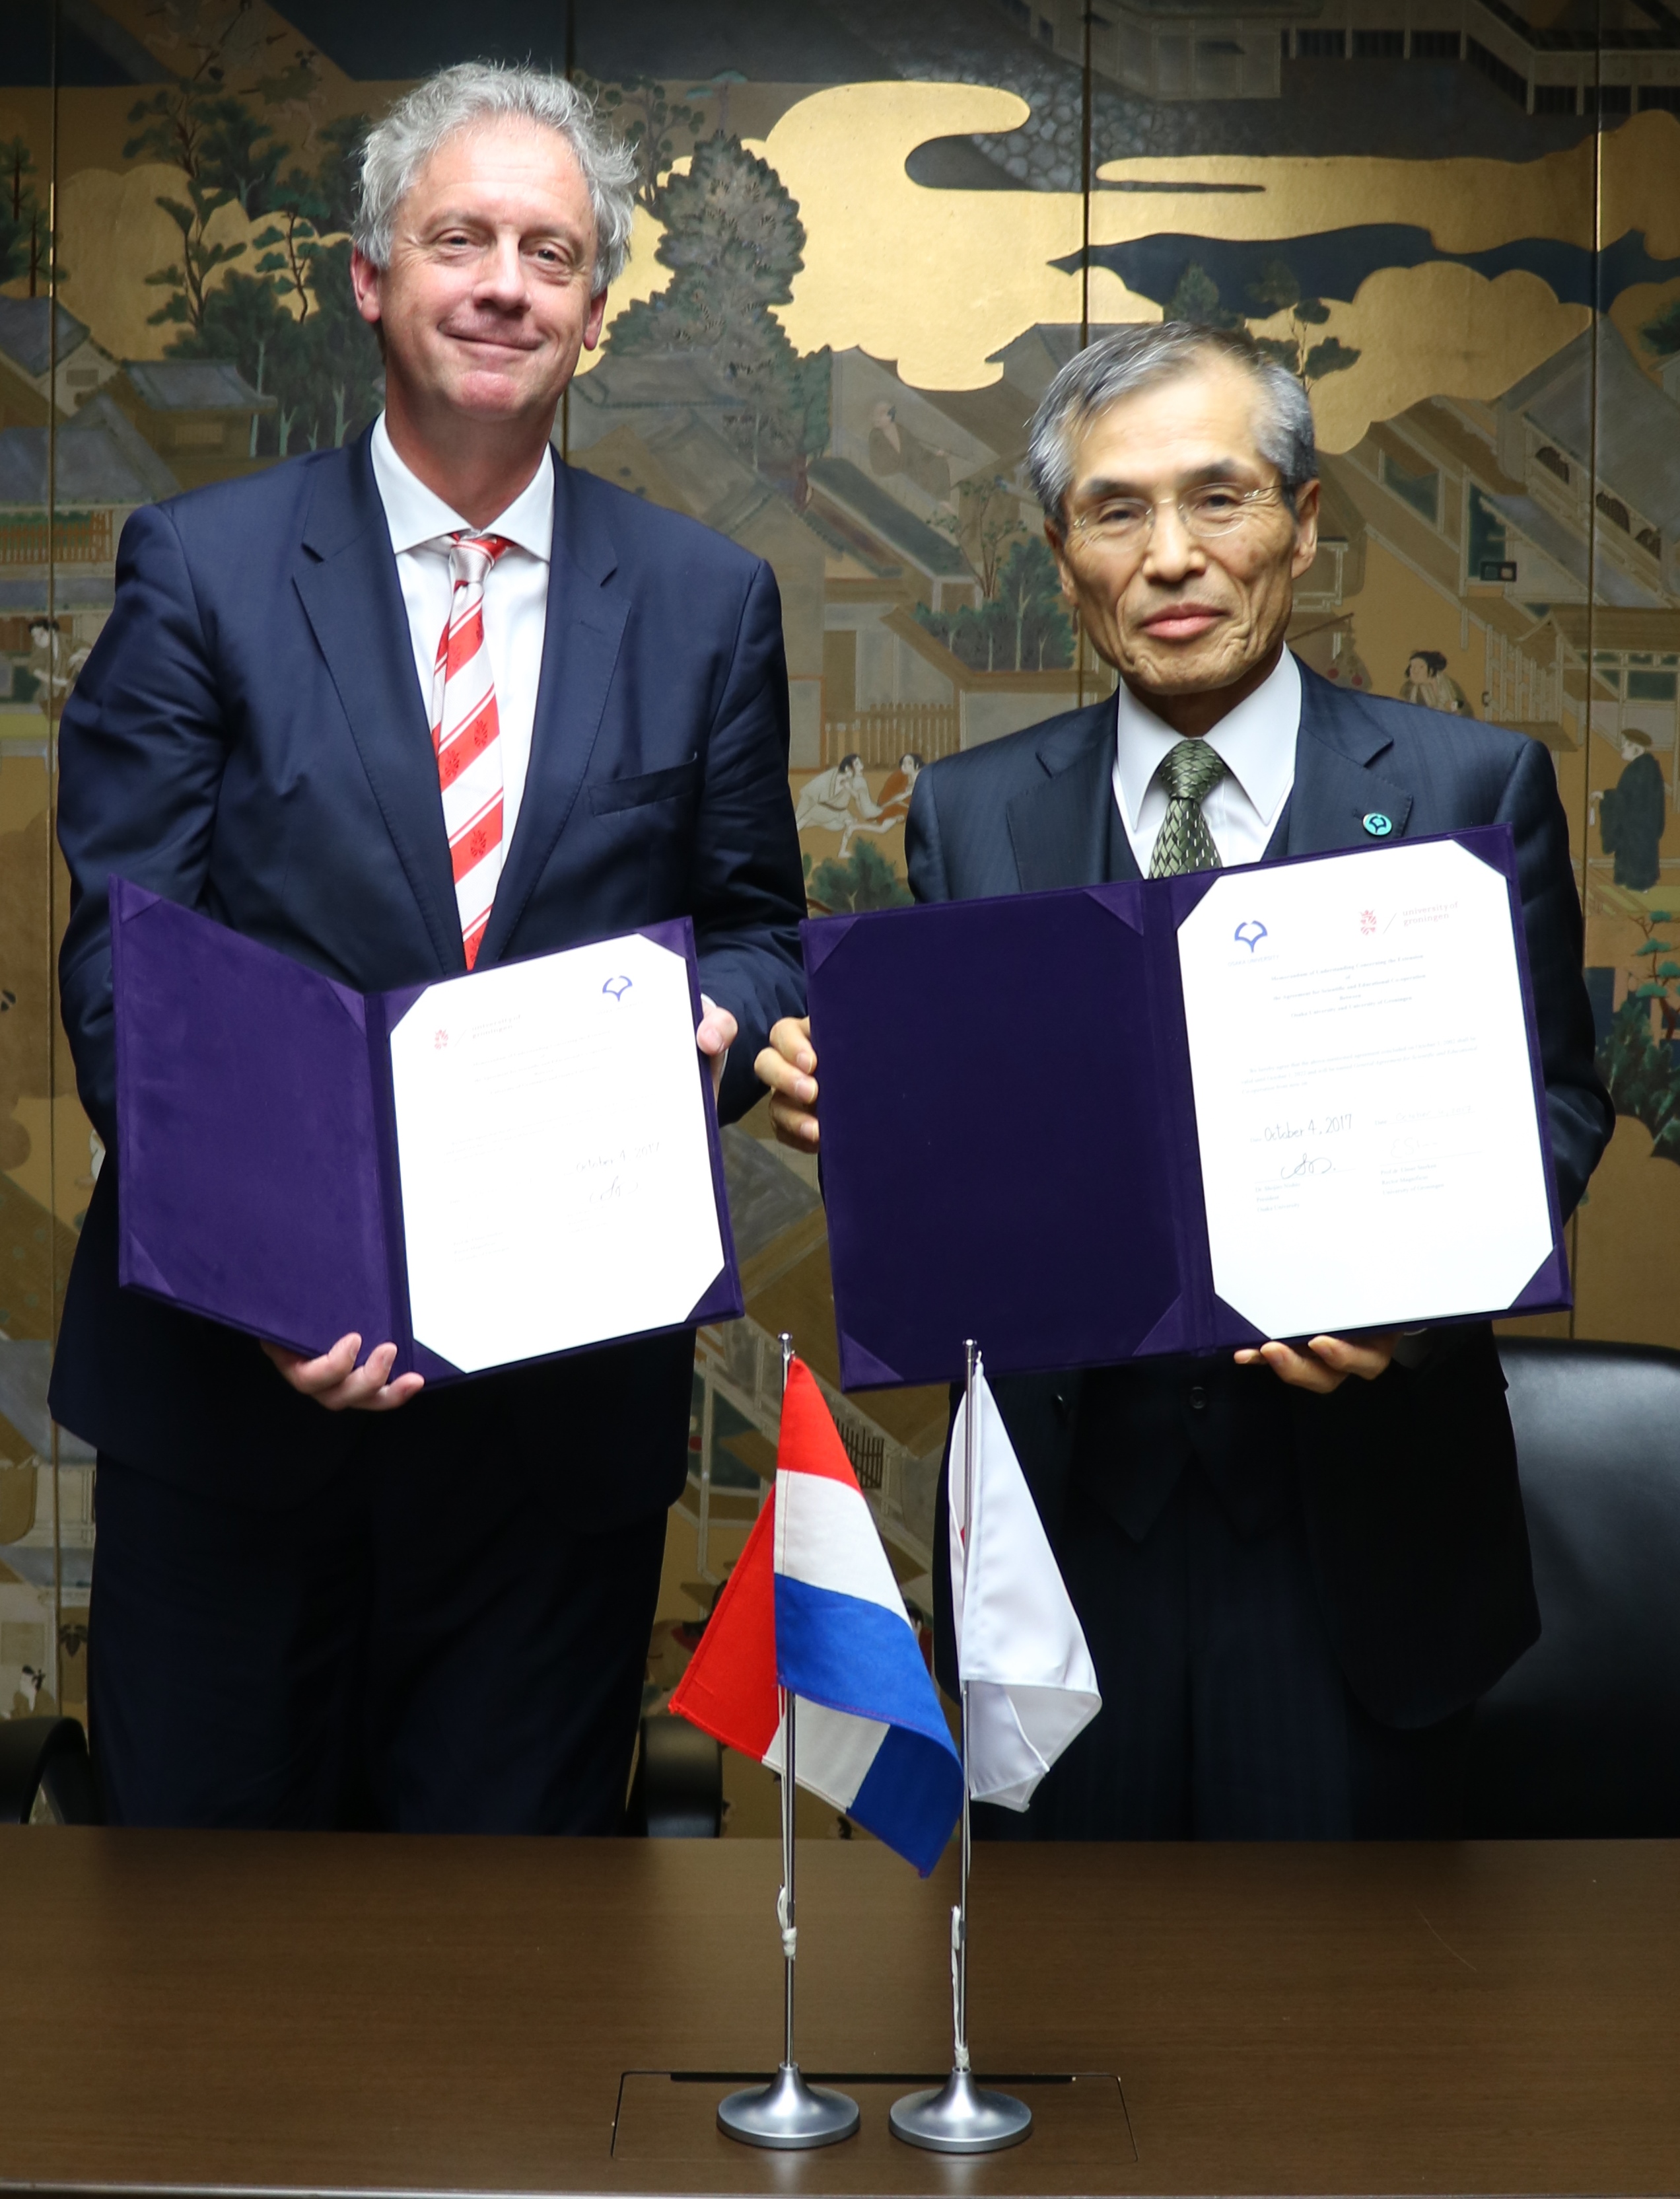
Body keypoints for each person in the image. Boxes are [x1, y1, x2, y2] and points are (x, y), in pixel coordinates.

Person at [50, 63, 806, 1832]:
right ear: (370, 276)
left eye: (551, 253)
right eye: (460, 239)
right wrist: (260, 1273)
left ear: (595, 312)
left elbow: (761, 930)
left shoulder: (705, 602)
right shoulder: (201, 569)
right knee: (205, 1942)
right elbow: (129, 971)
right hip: (234, 1416)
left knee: (507, 1956)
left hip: (554, 1439)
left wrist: (718, 1019)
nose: (504, 286)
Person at [756, 322, 1611, 1840]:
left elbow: (1555, 1102)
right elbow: (985, 1145)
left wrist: (1419, 1296)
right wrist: (875, 1123)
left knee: (1348, 1978)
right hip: (1065, 1542)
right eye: (1115, 509)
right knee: (1062, 1975)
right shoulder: (970, 813)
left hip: (1360, 1538)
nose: (1170, 555)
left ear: (1302, 522)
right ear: (1059, 551)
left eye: (1218, 497)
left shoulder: (1464, 786)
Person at [1596, 728, 1665, 890]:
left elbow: (1629, 802)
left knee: (1637, 877)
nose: (1623, 748)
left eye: (1628, 745)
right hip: (1640, 832)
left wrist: (1606, 796)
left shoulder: (1641, 770)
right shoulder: (1644, 767)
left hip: (1638, 833)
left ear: (1638, 750)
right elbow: (1628, 799)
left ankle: (1640, 886)